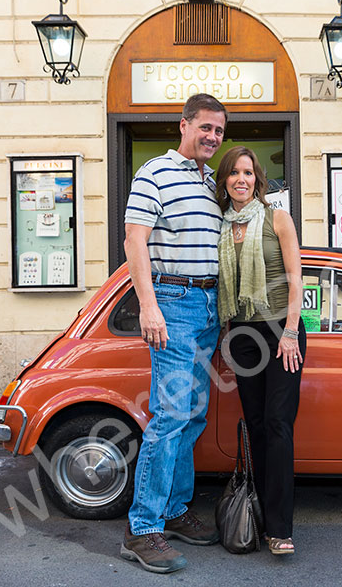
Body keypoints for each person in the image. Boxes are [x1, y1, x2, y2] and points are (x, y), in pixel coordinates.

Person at [120, 93, 227, 574]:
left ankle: (177, 511)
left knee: (194, 415)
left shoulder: (209, 182)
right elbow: (134, 240)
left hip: (208, 307)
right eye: (205, 127)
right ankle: (142, 528)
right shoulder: (153, 173)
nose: (212, 137)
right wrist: (149, 306)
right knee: (168, 417)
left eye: (219, 131)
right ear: (183, 125)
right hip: (174, 304)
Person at [215, 146, 305, 555]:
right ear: (225, 180)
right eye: (234, 173)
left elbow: (295, 279)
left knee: (278, 425)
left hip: (281, 333)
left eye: (248, 173)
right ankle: (262, 518)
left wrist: (289, 332)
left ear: (258, 179)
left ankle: (281, 528)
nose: (241, 179)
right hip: (244, 336)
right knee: (254, 425)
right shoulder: (220, 226)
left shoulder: (277, 218)